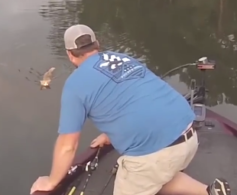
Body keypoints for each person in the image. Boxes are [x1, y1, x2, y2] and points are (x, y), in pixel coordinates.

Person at [30, 24, 231, 195]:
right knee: (155, 175)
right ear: (97, 45)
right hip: (189, 132)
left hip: (156, 154)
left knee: (146, 171)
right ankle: (210, 191)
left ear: (70, 55)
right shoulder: (121, 58)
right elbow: (135, 97)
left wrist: (51, 181)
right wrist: (110, 135)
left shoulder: (74, 85)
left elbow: (68, 146)